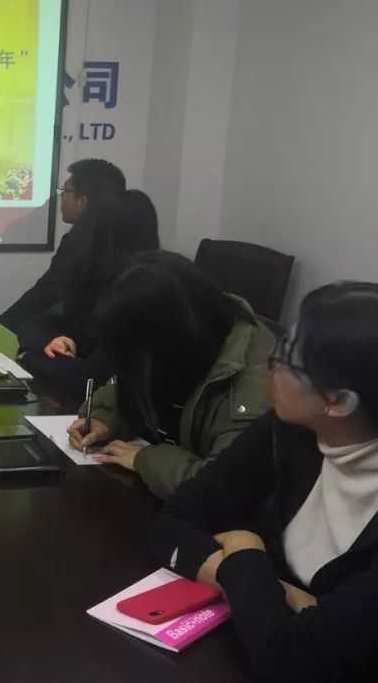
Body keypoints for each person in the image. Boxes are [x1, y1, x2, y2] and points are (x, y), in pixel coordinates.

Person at [150, 283, 378, 682]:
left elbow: (294, 662)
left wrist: (245, 547)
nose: (269, 365)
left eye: (288, 361)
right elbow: (174, 520)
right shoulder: (291, 429)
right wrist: (271, 590)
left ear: (338, 402)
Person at [66, 251, 275, 499]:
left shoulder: (255, 385)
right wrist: (105, 417)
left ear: (168, 340)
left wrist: (147, 460)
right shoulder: (183, 333)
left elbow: (226, 490)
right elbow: (132, 379)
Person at [16, 189, 160, 394]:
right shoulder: (104, 280)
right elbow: (44, 324)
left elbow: (92, 376)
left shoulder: (142, 291)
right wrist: (67, 343)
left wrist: (30, 357)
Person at [0, 159, 126, 335]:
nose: (61, 197)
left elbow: (44, 294)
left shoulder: (77, 244)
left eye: (65, 191)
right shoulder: (124, 238)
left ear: (82, 201)